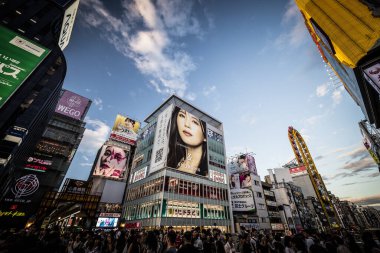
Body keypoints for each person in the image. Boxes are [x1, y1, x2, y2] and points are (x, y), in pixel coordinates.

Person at [167, 107, 208, 177]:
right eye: (182, 115)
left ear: (205, 136)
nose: (186, 124)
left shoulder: (207, 173)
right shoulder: (172, 161)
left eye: (195, 122)